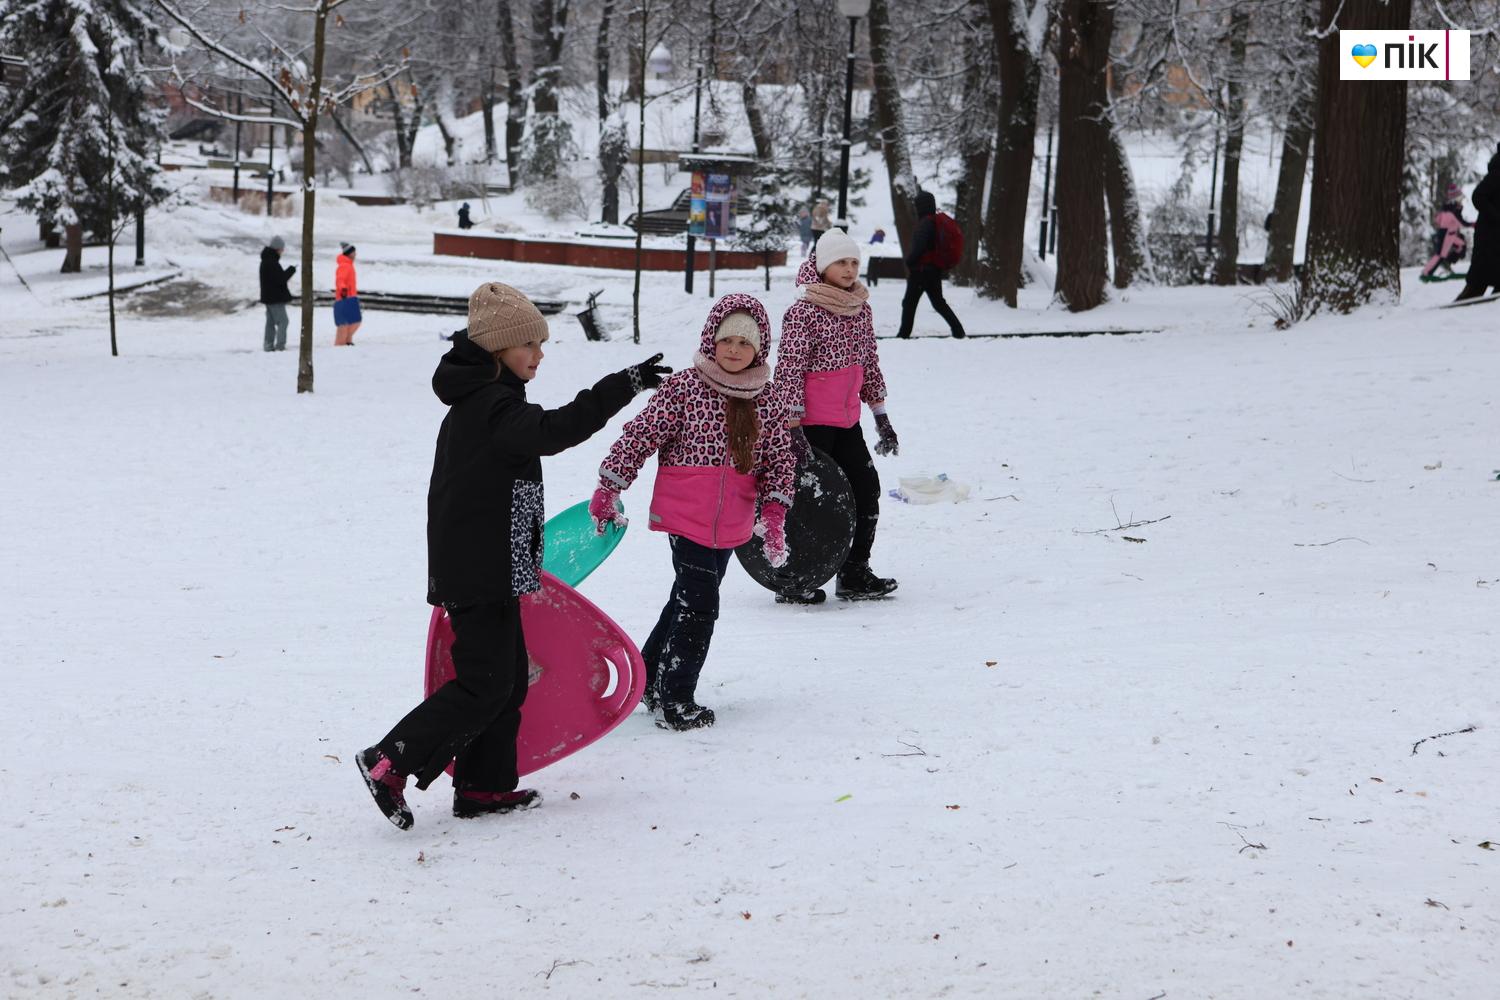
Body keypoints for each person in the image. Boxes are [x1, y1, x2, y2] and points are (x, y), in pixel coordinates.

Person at [356, 282, 671, 830]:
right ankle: (390, 759)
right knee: (485, 683)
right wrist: (623, 386)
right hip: (479, 572)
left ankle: (483, 787)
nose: (541, 355)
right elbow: (554, 431)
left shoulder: (490, 402)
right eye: (532, 344)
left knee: (505, 679)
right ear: (502, 348)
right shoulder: (490, 407)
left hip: (497, 568)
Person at [589, 294, 795, 731]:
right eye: (727, 340)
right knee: (700, 605)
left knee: (686, 598)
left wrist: (774, 513)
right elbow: (639, 436)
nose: (735, 350)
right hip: (685, 516)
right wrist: (609, 486)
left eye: (745, 342)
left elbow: (779, 460)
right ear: (710, 339)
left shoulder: (769, 399)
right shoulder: (684, 387)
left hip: (733, 519)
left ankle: (648, 675)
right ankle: (675, 697)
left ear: (760, 348)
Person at [773, 228, 899, 605]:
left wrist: (881, 416)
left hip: (847, 423)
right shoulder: (803, 311)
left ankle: (854, 572)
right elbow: (789, 369)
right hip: (809, 426)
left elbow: (869, 362)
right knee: (805, 503)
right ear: (823, 265)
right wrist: (791, 426)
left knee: (866, 490)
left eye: (854, 262)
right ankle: (793, 577)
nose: (848, 269)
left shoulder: (860, 307)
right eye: (841, 262)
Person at [896, 191, 966, 339]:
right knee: (938, 303)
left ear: (920, 206)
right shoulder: (934, 222)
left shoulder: (925, 223)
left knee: (909, 303)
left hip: (921, 271)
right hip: (934, 270)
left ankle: (903, 334)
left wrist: (910, 261)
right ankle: (958, 330)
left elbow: (919, 247)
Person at [1458, 144, 1500, 301]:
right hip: (1489, 234)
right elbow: (1478, 196)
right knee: (1479, 280)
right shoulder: (1497, 173)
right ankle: (1457, 309)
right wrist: (1496, 217)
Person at [1421, 183, 1473, 282]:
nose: (1462, 200)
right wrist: (1473, 224)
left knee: (1461, 245)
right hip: (1446, 235)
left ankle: (1447, 262)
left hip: (1451, 234)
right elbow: (1461, 222)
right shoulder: (1452, 210)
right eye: (1460, 198)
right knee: (1440, 255)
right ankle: (1426, 273)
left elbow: (1438, 220)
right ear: (1455, 198)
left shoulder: (1451, 208)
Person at [258, 235, 295, 351]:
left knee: (270, 322)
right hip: (275, 298)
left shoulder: (266, 260)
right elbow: (280, 279)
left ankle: (268, 345)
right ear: (277, 249)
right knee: (283, 321)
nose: (282, 252)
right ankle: (280, 346)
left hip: (268, 297)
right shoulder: (271, 262)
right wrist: (291, 270)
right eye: (282, 249)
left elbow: (276, 278)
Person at [333, 243, 361, 346]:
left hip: (351, 297)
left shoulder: (348, 265)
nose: (355, 254)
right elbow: (340, 280)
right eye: (354, 252)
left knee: (354, 321)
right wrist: (343, 290)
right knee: (345, 324)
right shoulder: (344, 266)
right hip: (345, 298)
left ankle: (347, 341)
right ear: (349, 254)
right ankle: (341, 344)